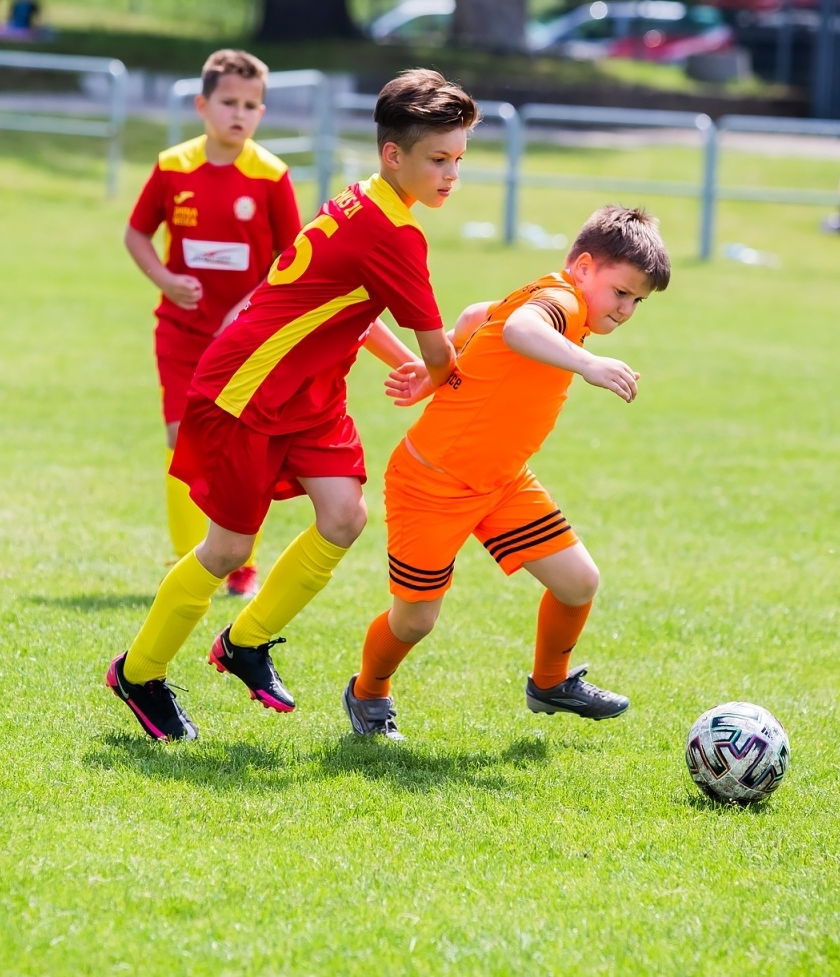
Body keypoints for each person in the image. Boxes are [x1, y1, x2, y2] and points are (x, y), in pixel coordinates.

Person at [106, 69, 477, 742]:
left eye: (459, 159)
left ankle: (245, 642)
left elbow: (355, 315)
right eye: (439, 160)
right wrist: (442, 372)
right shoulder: (394, 234)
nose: (452, 174)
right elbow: (439, 350)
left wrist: (418, 370)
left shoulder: (366, 199)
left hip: (307, 392)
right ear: (394, 155)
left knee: (343, 515)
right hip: (247, 388)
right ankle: (140, 673)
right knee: (225, 549)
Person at [342, 206, 671, 740]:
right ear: (584, 267)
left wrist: (435, 374)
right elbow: (517, 327)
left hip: (499, 481)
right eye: (621, 292)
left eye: (638, 300)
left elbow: (478, 317)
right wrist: (587, 365)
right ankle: (368, 691)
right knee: (415, 621)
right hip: (432, 483)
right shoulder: (561, 302)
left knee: (578, 581)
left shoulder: (559, 298)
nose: (628, 309)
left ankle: (549, 684)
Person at [125, 49, 303, 597]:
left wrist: (249, 305)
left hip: (246, 343)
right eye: (228, 102)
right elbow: (136, 234)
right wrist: (164, 279)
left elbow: (292, 260)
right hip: (180, 331)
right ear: (202, 105)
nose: (239, 113)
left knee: (238, 450)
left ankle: (239, 559)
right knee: (182, 439)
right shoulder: (173, 166)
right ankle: (190, 559)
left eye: (251, 105)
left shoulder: (272, 176)